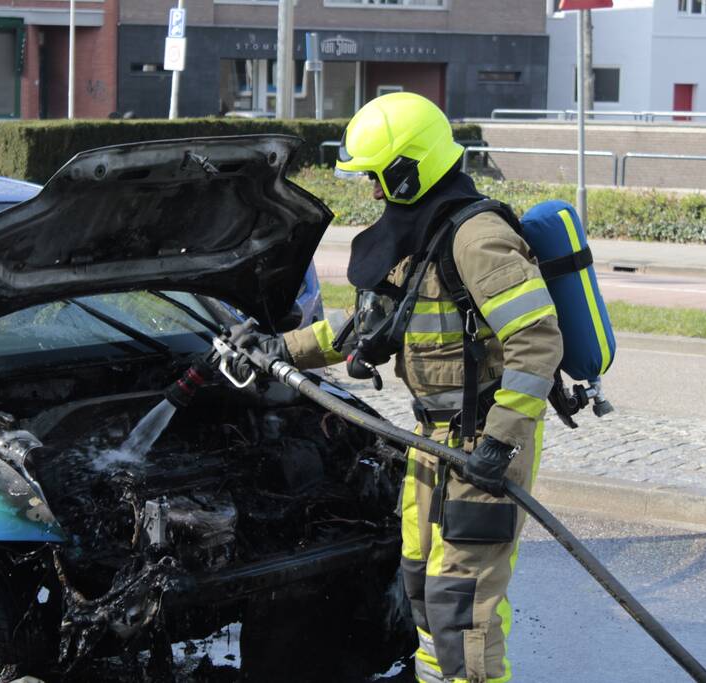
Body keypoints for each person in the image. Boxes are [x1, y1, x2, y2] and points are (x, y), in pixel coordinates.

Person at [239, 92, 562, 683]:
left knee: (461, 602)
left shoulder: (477, 237)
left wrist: (501, 442)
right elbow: (367, 326)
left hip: (481, 443)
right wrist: (278, 350)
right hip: (432, 438)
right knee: (417, 576)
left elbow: (537, 341)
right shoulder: (422, 232)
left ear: (408, 169)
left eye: (378, 178)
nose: (373, 191)